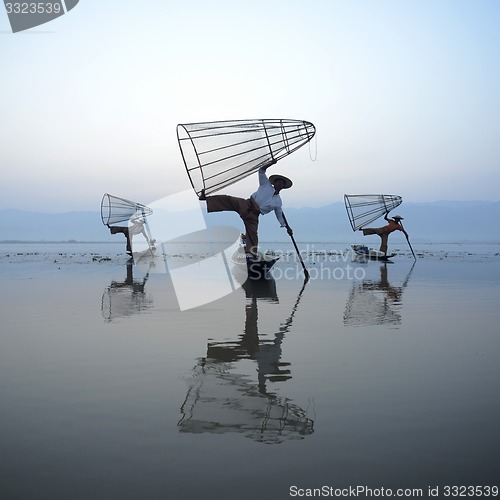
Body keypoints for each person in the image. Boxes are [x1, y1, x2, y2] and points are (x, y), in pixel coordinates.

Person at [199, 161, 293, 258]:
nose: (279, 184)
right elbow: (261, 171)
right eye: (278, 182)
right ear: (275, 183)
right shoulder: (266, 184)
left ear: (283, 187)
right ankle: (205, 198)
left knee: (253, 236)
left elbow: (279, 215)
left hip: (254, 215)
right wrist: (271, 163)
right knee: (229, 200)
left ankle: (251, 256)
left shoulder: (278, 201)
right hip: (246, 204)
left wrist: (287, 227)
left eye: (282, 183)